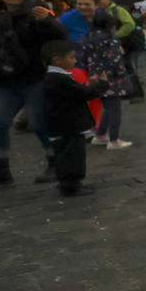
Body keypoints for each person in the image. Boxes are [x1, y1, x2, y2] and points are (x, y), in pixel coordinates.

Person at [0, 0, 67, 185]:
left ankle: (56, 163)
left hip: (33, 78)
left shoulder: (35, 14)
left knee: (39, 123)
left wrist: (47, 21)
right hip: (3, 79)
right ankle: (0, 169)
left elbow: (61, 35)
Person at [41, 40, 107, 196]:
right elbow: (82, 94)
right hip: (69, 125)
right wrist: (102, 85)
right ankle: (71, 185)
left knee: (63, 155)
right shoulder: (59, 78)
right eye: (71, 57)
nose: (75, 61)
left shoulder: (52, 77)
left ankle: (66, 182)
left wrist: (89, 85)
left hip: (60, 125)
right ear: (57, 60)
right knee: (73, 156)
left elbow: (76, 92)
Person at [79, 12, 131, 149]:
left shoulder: (88, 38)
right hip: (112, 78)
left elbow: (83, 58)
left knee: (108, 107)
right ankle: (114, 140)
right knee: (115, 109)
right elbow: (115, 60)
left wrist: (92, 71)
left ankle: (100, 135)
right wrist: (122, 72)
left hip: (95, 76)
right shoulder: (110, 39)